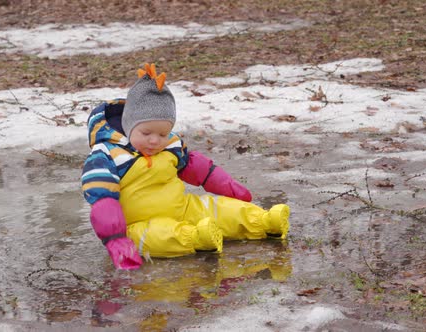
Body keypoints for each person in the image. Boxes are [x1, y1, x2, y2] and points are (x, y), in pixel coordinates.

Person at [81, 63, 290, 270]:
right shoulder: (107, 155)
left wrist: (228, 186)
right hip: (138, 224)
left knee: (218, 209)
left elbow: (199, 169)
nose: (155, 141)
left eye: (163, 133)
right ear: (128, 126)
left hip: (183, 208)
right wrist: (115, 239)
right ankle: (196, 238)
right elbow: (103, 200)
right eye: (146, 133)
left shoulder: (171, 145)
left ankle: (264, 222)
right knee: (155, 237)